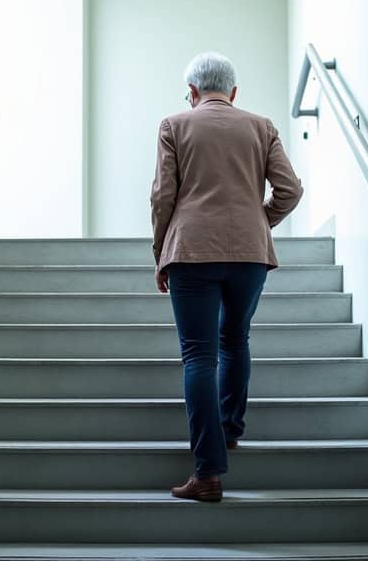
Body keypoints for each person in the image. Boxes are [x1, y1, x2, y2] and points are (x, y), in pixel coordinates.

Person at [151, 52, 303, 502]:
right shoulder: (262, 126)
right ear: (233, 93)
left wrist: (161, 251)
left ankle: (208, 472)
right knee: (235, 339)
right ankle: (230, 431)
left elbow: (163, 196)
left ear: (193, 93)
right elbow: (290, 190)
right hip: (249, 254)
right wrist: (261, 222)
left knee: (199, 356)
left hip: (191, 251)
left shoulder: (174, 125)